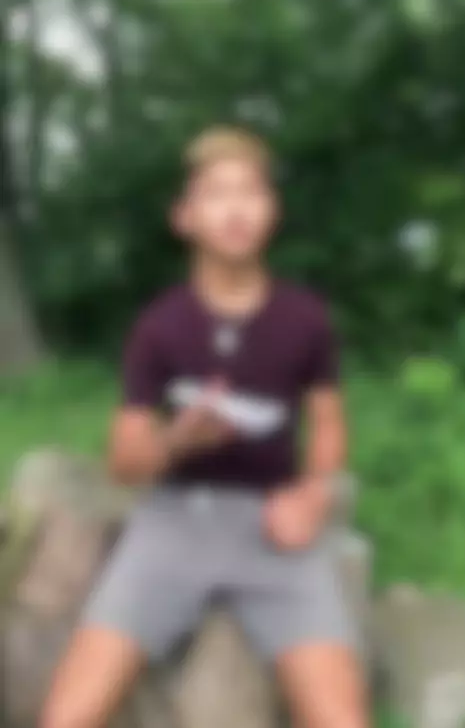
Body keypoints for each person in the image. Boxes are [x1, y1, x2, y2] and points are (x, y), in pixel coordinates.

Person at [40, 126, 370, 728]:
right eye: (216, 194)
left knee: (341, 718)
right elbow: (123, 462)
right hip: (173, 521)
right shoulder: (159, 327)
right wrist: (176, 440)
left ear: (271, 210)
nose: (236, 209)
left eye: (250, 192)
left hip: (274, 526)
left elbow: (327, 424)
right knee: (67, 716)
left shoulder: (306, 319)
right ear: (185, 217)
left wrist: (313, 492)